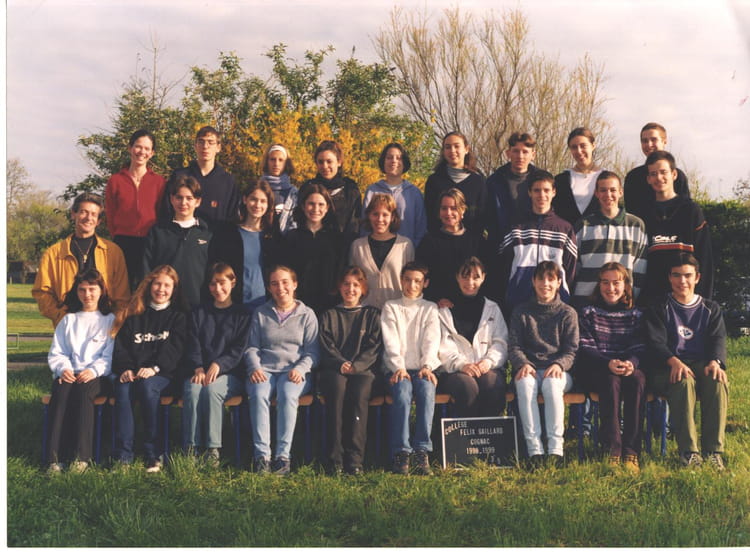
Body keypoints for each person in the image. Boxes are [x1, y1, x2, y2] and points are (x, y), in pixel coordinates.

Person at [644, 253, 728, 470]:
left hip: (700, 363)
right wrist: (672, 360)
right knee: (683, 381)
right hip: (667, 367)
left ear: (697, 278)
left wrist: (715, 361)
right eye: (676, 275)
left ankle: (713, 451)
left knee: (717, 380)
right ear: (669, 277)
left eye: (688, 275)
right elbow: (655, 342)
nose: (682, 281)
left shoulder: (710, 308)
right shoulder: (659, 307)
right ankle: (689, 453)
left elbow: (718, 339)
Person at [244, 265, 320, 476]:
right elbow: (251, 347)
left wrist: (301, 369)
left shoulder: (307, 314)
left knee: (287, 394)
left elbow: (313, 352)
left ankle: (282, 457)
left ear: (294, 284)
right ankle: (262, 457)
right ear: (269, 288)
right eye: (274, 284)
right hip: (264, 369)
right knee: (258, 393)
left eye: (285, 282)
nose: (280, 288)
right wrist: (255, 367)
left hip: (294, 371)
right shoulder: (261, 313)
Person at [111, 265, 187, 471]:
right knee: (122, 388)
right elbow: (121, 348)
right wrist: (126, 368)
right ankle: (124, 455)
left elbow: (176, 351)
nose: (161, 289)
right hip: (134, 373)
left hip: (164, 375)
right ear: (149, 285)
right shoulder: (134, 315)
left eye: (167, 285)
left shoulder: (178, 317)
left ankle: (154, 453)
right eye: (157, 284)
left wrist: (155, 367)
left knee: (147, 387)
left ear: (174, 289)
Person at [509, 261, 579, 467]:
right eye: (541, 279)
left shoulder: (567, 313)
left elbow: (571, 350)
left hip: (558, 371)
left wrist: (559, 364)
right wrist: (523, 363)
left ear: (559, 283)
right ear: (533, 281)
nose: (545, 284)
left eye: (551, 279)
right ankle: (535, 451)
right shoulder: (521, 312)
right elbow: (514, 346)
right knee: (524, 384)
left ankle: (556, 449)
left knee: (551, 385)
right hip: (529, 368)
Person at [45, 269, 116, 473]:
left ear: (101, 291)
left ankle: (81, 456)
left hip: (97, 375)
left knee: (84, 393)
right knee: (61, 393)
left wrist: (93, 370)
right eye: (82, 290)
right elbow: (58, 352)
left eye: (92, 289)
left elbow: (109, 355)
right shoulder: (69, 320)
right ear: (76, 292)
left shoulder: (109, 320)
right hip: (70, 372)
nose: (87, 295)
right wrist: (63, 369)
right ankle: (54, 458)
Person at [181, 263, 251, 467]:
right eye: (213, 284)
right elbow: (193, 343)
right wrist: (198, 367)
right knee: (193, 389)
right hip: (200, 371)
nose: (217, 289)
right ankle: (191, 448)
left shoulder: (243, 315)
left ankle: (212, 450)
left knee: (212, 390)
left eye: (222, 283)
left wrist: (219, 364)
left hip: (231, 374)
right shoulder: (198, 312)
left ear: (233, 282)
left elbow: (239, 349)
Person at [578, 262, 646, 471]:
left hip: (627, 367)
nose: (611, 288)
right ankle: (612, 450)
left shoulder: (636, 314)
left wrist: (631, 363)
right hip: (598, 368)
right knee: (610, 380)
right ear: (599, 285)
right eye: (605, 282)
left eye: (616, 283)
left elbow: (640, 345)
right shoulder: (588, 312)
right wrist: (607, 363)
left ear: (626, 285)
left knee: (638, 379)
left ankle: (631, 451)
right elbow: (585, 347)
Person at [318, 266, 383, 475]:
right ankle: (335, 460)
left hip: (363, 370)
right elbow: (326, 345)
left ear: (363, 288)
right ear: (339, 287)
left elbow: (374, 346)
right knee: (336, 390)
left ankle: (355, 460)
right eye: (346, 284)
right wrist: (340, 363)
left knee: (359, 394)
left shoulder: (372, 315)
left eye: (356, 284)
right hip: (335, 370)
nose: (351, 289)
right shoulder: (329, 315)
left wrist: (357, 365)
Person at [33, 192, 130, 327]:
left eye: (94, 214)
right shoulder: (53, 254)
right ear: (73, 214)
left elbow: (122, 295)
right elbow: (42, 292)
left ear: (99, 221)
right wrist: (60, 316)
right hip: (68, 326)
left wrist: (113, 320)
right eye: (83, 212)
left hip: (105, 325)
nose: (88, 218)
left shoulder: (113, 252)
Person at [381, 261, 441, 475]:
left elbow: (432, 340)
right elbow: (390, 341)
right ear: (401, 281)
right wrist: (399, 367)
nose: (412, 285)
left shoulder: (430, 308)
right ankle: (402, 451)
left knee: (426, 389)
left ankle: (422, 449)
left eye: (417, 281)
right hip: (397, 369)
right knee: (403, 392)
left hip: (422, 368)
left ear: (425, 283)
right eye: (407, 280)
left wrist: (427, 365)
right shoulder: (391, 306)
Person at [437, 257, 509, 417]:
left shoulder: (492, 308)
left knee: (492, 385)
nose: (470, 282)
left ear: (483, 277)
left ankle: (490, 432)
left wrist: (488, 362)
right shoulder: (444, 311)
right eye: (465, 276)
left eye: (476, 277)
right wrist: (462, 365)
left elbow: (501, 342)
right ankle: (468, 433)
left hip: (487, 367)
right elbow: (443, 347)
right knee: (467, 387)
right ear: (457, 277)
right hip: (454, 371)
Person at [639, 150, 713, 305]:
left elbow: (705, 259)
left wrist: (702, 302)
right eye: (653, 174)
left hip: (686, 300)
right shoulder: (643, 214)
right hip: (653, 301)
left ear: (674, 174)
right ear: (648, 179)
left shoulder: (691, 211)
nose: (659, 178)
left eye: (663, 172)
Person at [499, 171, 577, 316]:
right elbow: (504, 265)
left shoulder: (565, 229)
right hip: (519, 301)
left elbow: (570, 270)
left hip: (555, 306)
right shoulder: (516, 227)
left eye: (546, 190)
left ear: (554, 192)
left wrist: (561, 292)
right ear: (529, 193)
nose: (542, 195)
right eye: (537, 190)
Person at [571, 171, 648, 308]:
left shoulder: (636, 225)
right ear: (596, 193)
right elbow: (574, 267)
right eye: (603, 190)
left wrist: (632, 297)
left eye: (613, 190)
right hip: (585, 302)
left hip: (623, 304)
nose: (608, 195)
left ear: (620, 192)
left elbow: (640, 269)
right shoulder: (583, 225)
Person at [105, 129, 166, 290]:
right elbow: (110, 213)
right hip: (123, 242)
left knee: (146, 289)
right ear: (130, 148)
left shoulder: (159, 182)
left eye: (147, 148)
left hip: (149, 242)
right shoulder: (115, 181)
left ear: (152, 153)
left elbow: (162, 214)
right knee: (121, 288)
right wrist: (117, 235)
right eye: (138, 147)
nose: (142, 152)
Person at [208, 179, 281, 313]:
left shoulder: (273, 237)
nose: (257, 205)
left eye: (263, 201)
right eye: (253, 199)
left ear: (268, 204)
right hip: (234, 306)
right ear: (245, 199)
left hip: (266, 307)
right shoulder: (227, 233)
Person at [143, 175, 212, 309]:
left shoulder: (207, 233)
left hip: (197, 305)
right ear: (171, 199)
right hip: (164, 305)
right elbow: (146, 268)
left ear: (198, 201)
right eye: (179, 197)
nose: (183, 203)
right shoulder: (158, 231)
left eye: (189, 198)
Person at [282, 183, 345, 314]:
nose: (316, 208)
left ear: (327, 207)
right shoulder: (292, 237)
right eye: (311, 203)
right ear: (303, 206)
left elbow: (340, 273)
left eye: (321, 204)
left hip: (329, 306)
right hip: (298, 305)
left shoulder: (337, 239)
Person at [164, 126, 239, 228]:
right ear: (195, 146)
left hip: (216, 236)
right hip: (182, 235)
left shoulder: (228, 181)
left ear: (218, 147)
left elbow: (232, 218)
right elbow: (167, 210)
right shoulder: (179, 176)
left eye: (210, 142)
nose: (205, 146)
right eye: (201, 141)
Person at [417, 188, 481, 308]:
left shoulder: (476, 241)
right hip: (440, 307)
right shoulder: (429, 242)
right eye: (444, 208)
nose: (448, 213)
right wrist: (436, 298)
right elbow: (421, 275)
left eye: (454, 208)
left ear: (462, 210)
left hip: (472, 305)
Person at [349, 193, 414, 309]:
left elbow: (411, 282)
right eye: (375, 214)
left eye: (385, 215)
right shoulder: (357, 246)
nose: (380, 219)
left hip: (397, 312)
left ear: (392, 217)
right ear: (369, 216)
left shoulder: (405, 245)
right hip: (364, 313)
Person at [362, 142, 427, 246]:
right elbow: (365, 225)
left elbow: (421, 228)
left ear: (404, 162)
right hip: (375, 250)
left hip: (406, 250)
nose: (394, 161)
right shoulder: (372, 191)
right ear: (383, 161)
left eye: (399, 158)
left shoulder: (414, 193)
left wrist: (413, 250)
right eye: (389, 157)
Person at [485, 132, 544, 246]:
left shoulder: (542, 180)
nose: (520, 156)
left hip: (535, 243)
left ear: (533, 155)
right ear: (508, 153)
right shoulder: (494, 182)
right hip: (502, 244)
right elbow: (488, 216)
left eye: (525, 152)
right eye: (516, 151)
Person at [624, 122, 690, 222]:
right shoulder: (633, 178)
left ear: (664, 141)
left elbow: (685, 211)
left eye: (654, 139)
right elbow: (631, 215)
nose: (649, 144)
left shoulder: (678, 176)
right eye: (645, 141)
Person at [423, 131, 486, 236]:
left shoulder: (478, 182)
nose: (452, 150)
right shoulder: (434, 181)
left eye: (457, 146)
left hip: (471, 242)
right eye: (448, 147)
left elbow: (482, 217)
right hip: (439, 242)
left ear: (466, 149)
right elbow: (429, 216)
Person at [300, 140, 361, 244]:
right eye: (320, 162)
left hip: (343, 247)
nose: (324, 166)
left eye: (329, 161)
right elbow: (300, 221)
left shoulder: (350, 190)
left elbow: (355, 225)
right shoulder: (308, 188)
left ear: (339, 162)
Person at [552, 127, 604, 226]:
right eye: (574, 147)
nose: (579, 151)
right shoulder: (561, 180)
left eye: (583, 146)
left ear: (593, 146)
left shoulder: (607, 178)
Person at [260, 144, 298, 235]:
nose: (276, 164)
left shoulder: (294, 193)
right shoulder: (257, 189)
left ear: (286, 163)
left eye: (281, 160)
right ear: (267, 161)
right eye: (272, 159)